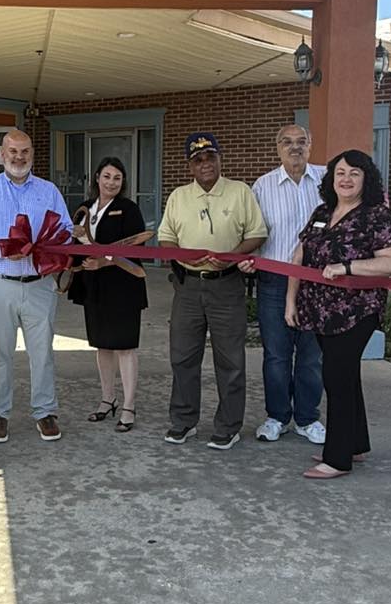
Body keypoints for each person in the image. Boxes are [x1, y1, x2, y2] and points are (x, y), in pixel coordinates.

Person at [286, 149, 391, 480]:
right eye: (340, 172)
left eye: (354, 173)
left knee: (336, 376)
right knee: (346, 376)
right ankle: (355, 442)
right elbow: (300, 256)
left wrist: (347, 267)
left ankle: (337, 458)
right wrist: (290, 301)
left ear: (366, 178)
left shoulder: (376, 216)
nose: (346, 179)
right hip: (320, 310)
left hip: (357, 311)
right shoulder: (323, 212)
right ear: (331, 179)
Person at [157, 133, 267, 450]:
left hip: (227, 285)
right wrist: (183, 255)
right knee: (182, 356)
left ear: (220, 159)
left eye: (210, 157)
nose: (205, 164)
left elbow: (257, 233)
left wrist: (231, 255)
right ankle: (183, 421)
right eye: (198, 160)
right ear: (190, 166)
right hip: (188, 286)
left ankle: (228, 426)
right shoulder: (179, 196)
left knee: (230, 359)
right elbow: (166, 238)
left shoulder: (240, 192)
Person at [0, 128, 71, 443]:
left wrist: (55, 244)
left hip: (39, 284)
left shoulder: (49, 191)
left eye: (25, 152)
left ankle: (45, 411)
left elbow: (63, 227)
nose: (19, 157)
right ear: (2, 155)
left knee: (42, 352)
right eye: (13, 152)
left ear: (32, 155)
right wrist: (0, 246)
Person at [241, 124, 325, 445]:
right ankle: (277, 416)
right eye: (287, 143)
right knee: (276, 354)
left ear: (310, 145)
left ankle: (307, 418)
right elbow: (252, 232)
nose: (295, 148)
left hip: (316, 282)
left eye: (301, 142)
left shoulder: (326, 182)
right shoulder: (262, 187)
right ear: (277, 148)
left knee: (310, 355)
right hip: (274, 281)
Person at [66, 156, 148, 434]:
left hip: (123, 286)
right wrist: (76, 240)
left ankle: (128, 405)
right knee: (103, 345)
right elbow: (77, 245)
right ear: (97, 178)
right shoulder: (85, 209)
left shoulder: (128, 209)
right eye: (107, 176)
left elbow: (137, 250)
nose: (111, 182)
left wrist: (104, 261)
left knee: (125, 346)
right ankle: (107, 399)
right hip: (95, 287)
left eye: (117, 178)